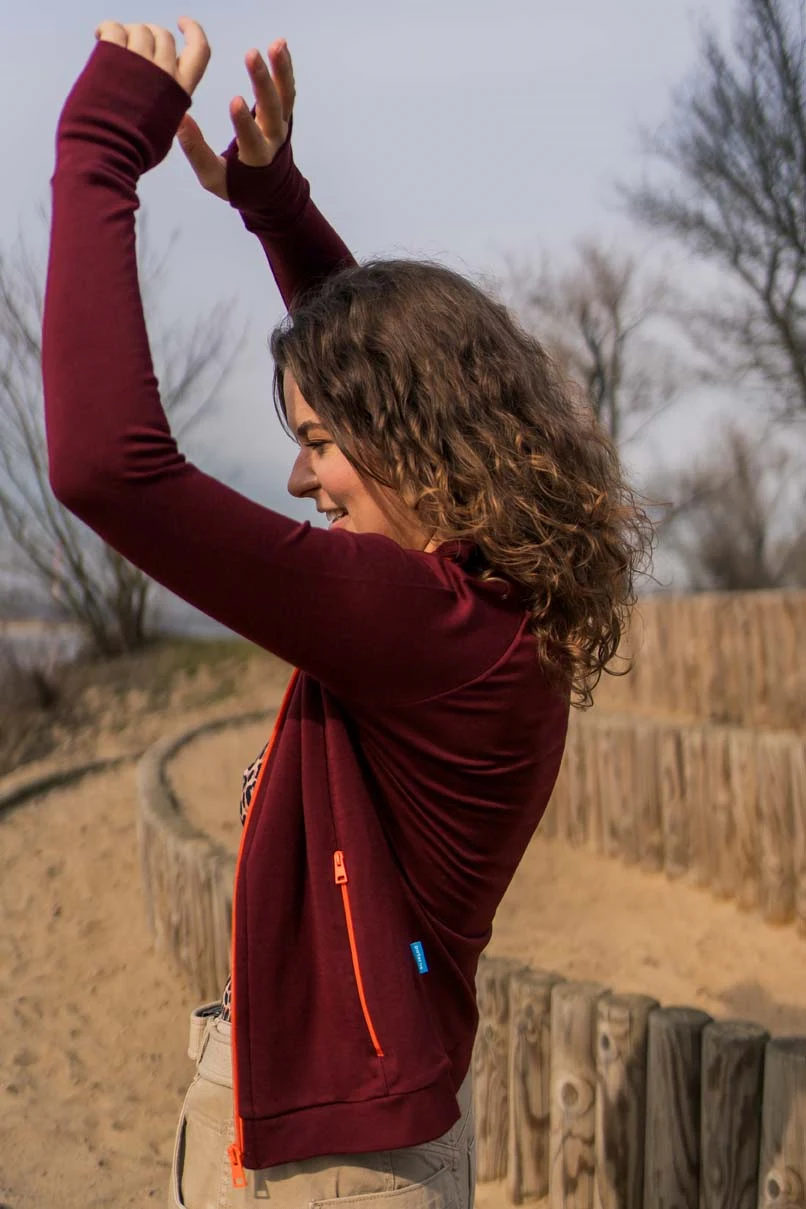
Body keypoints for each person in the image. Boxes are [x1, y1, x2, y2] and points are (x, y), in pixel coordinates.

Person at [42, 18, 652, 1209]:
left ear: (417, 446)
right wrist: (277, 207)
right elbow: (400, 387)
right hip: (345, 1136)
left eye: (318, 442)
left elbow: (108, 470)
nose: (298, 478)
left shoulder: (431, 631)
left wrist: (97, 147)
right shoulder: (479, 611)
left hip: (333, 1175)